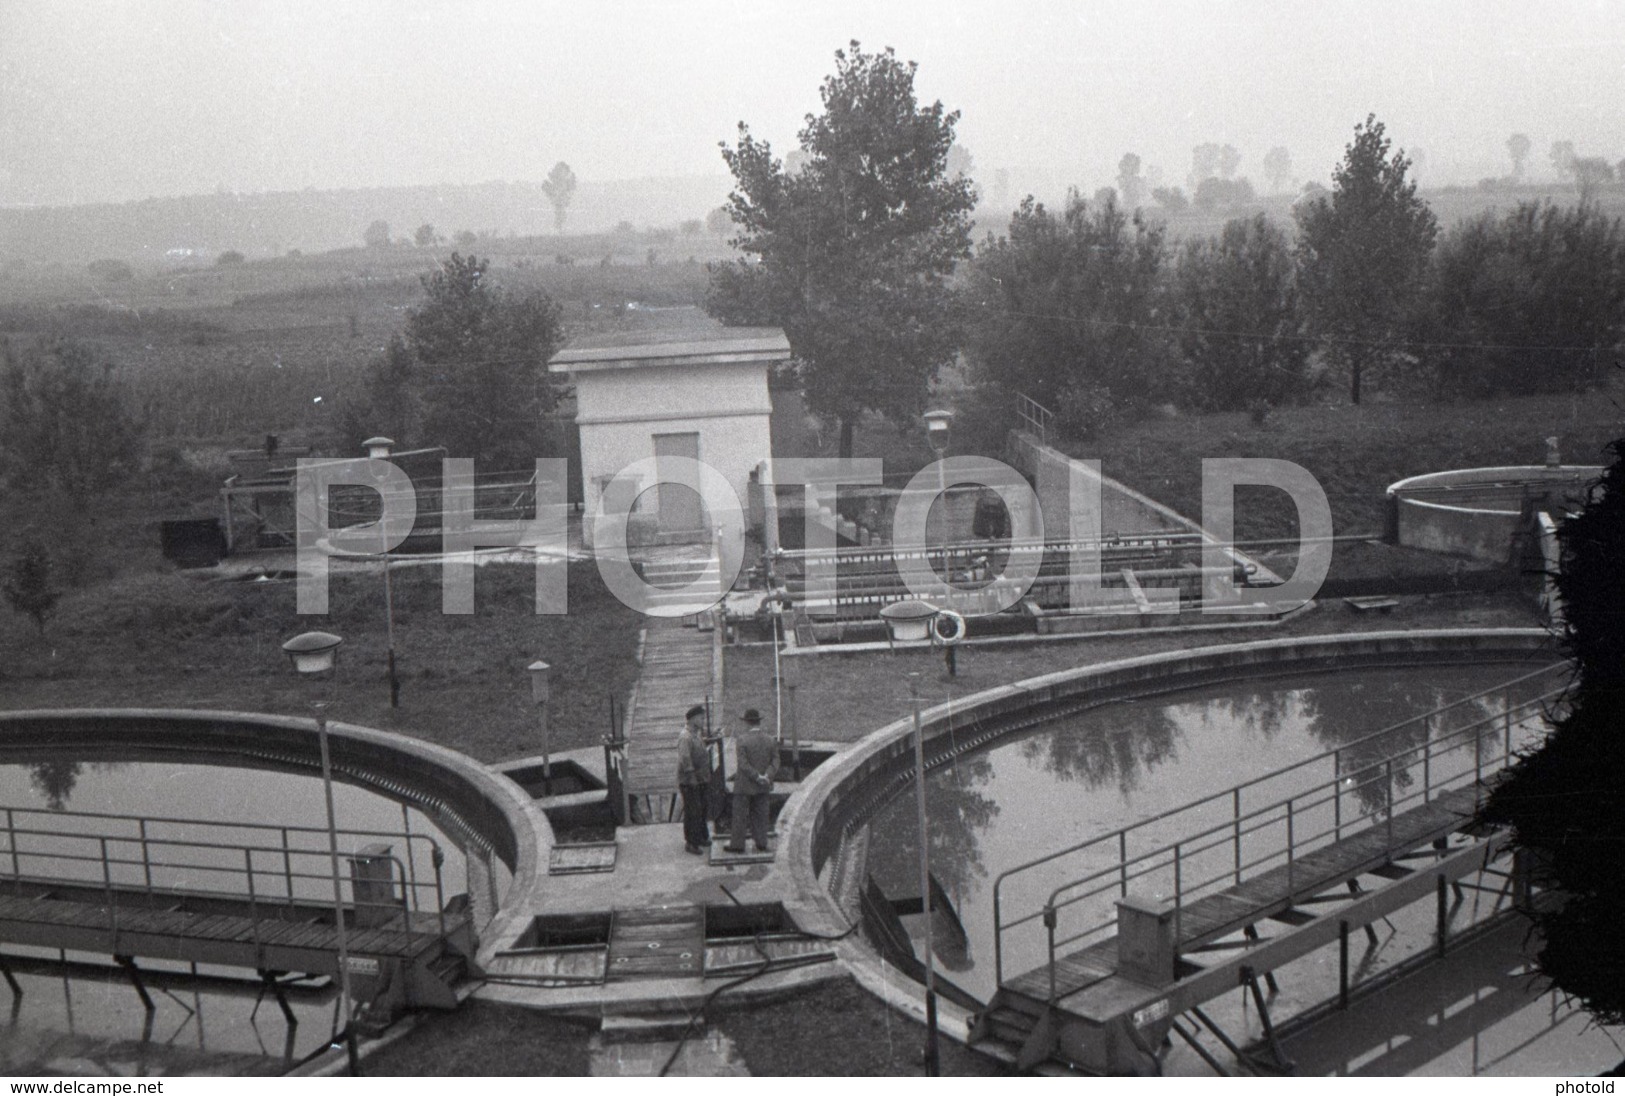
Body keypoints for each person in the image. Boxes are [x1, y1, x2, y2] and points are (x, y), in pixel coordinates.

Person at [727, 709, 779, 854]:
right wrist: (766, 776)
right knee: (761, 815)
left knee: (739, 815)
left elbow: (743, 764)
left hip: (744, 785)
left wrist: (756, 776)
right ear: (759, 721)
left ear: (747, 723)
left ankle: (737, 846)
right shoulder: (770, 740)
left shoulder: (742, 740)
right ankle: (761, 843)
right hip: (764, 785)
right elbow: (776, 761)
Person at [676, 704, 713, 855]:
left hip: (701, 779)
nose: (703, 720)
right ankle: (691, 842)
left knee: (702, 809)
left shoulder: (696, 734)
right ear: (693, 719)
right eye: (701, 718)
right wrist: (692, 779)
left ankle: (702, 836)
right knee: (693, 811)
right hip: (690, 781)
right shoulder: (685, 736)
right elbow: (685, 759)